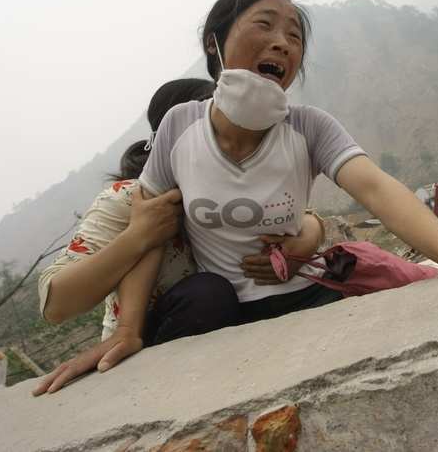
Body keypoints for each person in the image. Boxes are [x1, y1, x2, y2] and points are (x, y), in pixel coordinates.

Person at [133, 0, 438, 332]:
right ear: (214, 41)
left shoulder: (309, 127)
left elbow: (374, 187)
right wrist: (127, 332)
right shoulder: (178, 125)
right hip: (226, 316)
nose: (281, 42)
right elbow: (145, 232)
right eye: (264, 24)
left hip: (309, 295)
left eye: (294, 37)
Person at [33, 78, 325, 395]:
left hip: (234, 338)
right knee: (208, 294)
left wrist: (311, 232)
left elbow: (299, 216)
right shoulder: (127, 200)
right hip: (149, 349)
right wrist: (138, 236)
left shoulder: (237, 191)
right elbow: (56, 304)